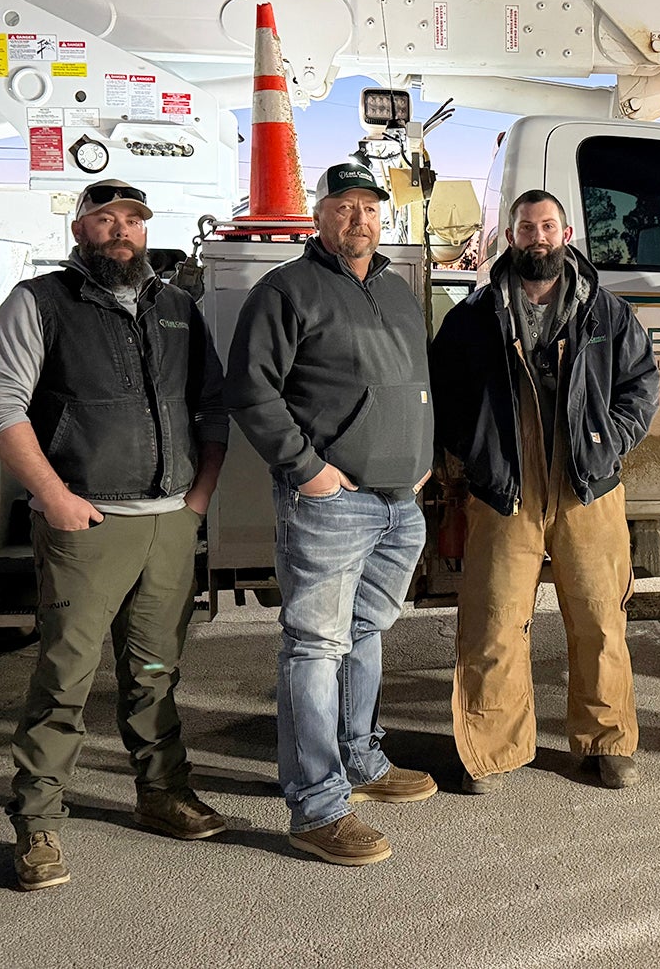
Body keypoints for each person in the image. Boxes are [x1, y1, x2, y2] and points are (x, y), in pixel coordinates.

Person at [0, 178, 229, 892]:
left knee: (154, 672)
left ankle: (161, 792)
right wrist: (52, 494)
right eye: (105, 219)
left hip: (170, 522)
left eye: (133, 220)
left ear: (147, 231)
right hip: (87, 524)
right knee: (65, 677)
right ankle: (38, 823)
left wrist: (198, 498)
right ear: (80, 230)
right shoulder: (42, 302)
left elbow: (212, 406)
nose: (121, 230)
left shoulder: (179, 307)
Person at [226, 162, 436, 867]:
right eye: (343, 206)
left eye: (370, 207)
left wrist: (423, 456)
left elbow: (417, 382)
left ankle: (361, 761)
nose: (359, 218)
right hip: (332, 503)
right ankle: (316, 807)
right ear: (318, 215)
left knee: (365, 632)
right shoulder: (286, 290)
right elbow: (251, 389)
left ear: (383, 217)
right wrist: (308, 470)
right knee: (315, 647)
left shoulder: (398, 291)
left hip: (398, 503)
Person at [430, 189, 659, 794]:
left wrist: (611, 442)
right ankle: (492, 750)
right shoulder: (473, 317)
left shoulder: (606, 315)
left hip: (588, 483)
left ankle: (607, 742)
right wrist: (477, 458)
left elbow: (640, 384)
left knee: (600, 617)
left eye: (548, 226)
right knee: (494, 619)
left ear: (566, 234)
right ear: (510, 237)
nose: (538, 237)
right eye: (526, 227)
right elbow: (445, 395)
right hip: (507, 487)